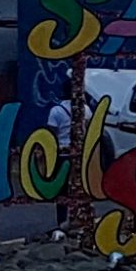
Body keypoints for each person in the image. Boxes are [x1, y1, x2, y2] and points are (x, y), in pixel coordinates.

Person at [46, 75, 93, 229]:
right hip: (81, 155)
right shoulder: (86, 110)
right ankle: (79, 220)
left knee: (62, 190)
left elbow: (51, 135)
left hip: (62, 154)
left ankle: (61, 223)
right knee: (80, 188)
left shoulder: (56, 111)